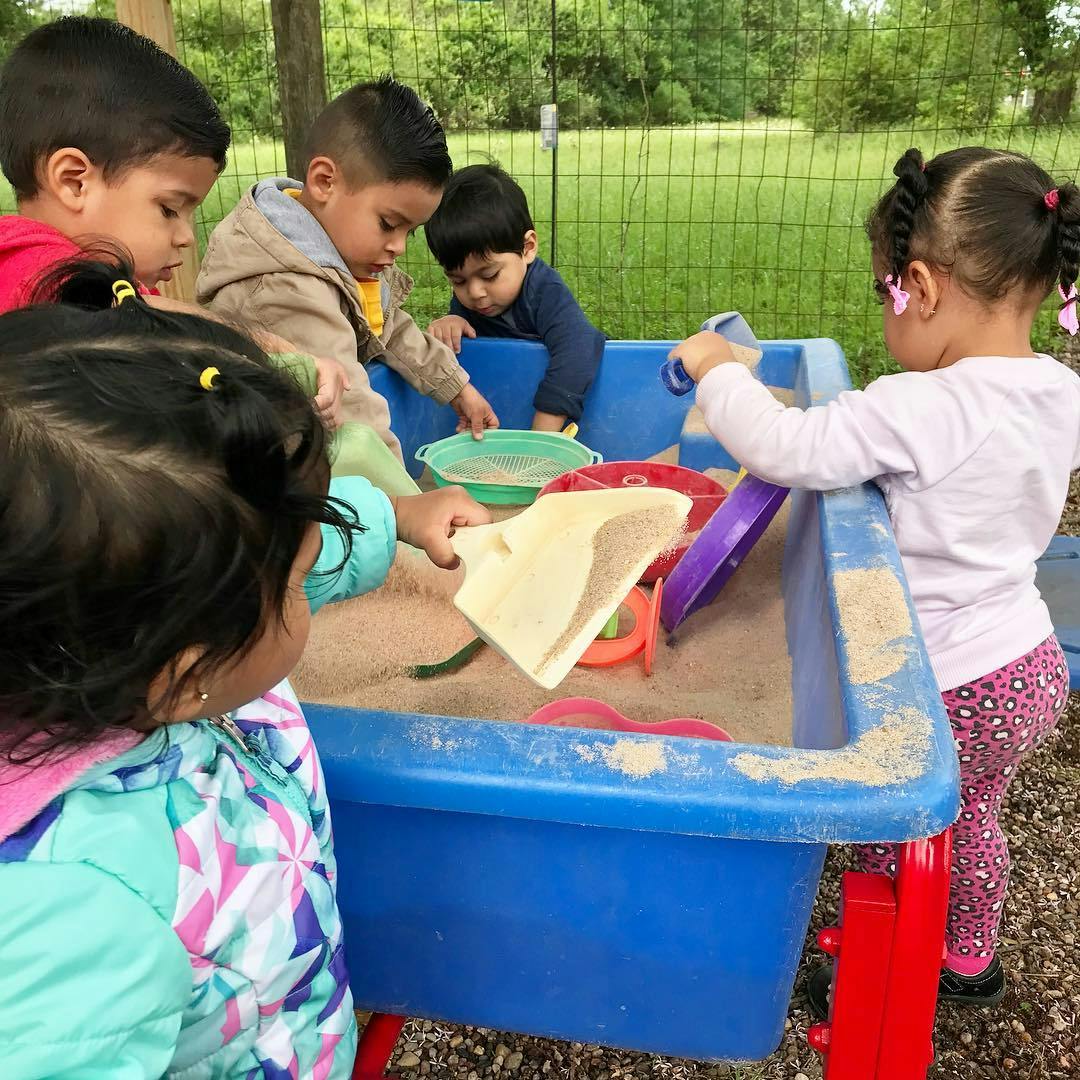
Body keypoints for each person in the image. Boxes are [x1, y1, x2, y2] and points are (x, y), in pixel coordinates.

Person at [0, 257, 489, 1077]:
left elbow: (286, 551)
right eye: (296, 581)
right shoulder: (77, 917)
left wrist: (400, 516)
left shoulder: (131, 639)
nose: (316, 573)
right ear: (184, 667)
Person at [668, 147, 1080, 1008]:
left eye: (883, 292)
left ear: (921, 288)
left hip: (945, 679)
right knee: (972, 816)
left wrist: (718, 371)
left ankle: (873, 971)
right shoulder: (1057, 390)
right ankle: (968, 955)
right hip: (1027, 664)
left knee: (894, 840)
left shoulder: (924, 405)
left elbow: (786, 449)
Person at [0, 16, 352, 428]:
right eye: (169, 209)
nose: (185, 237)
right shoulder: (26, 261)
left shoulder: (111, 281)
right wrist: (281, 352)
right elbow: (145, 318)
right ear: (75, 182)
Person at [197, 76, 498, 458]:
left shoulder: (337, 248)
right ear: (324, 182)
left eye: (411, 231)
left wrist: (457, 387)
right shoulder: (286, 289)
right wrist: (404, 502)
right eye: (389, 224)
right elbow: (353, 413)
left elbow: (389, 326)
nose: (399, 246)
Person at [425, 163, 605, 432]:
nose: (475, 293)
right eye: (458, 281)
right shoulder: (470, 301)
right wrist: (452, 322)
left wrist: (542, 436)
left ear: (528, 248)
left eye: (490, 275)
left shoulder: (545, 291)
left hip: (568, 417)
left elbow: (578, 350)